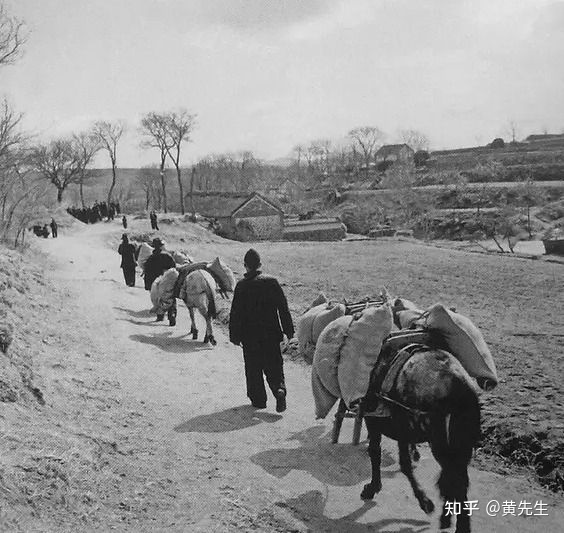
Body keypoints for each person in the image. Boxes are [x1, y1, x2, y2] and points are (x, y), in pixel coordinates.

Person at [229, 249, 294, 413]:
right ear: (260, 265)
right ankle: (279, 390)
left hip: (250, 337)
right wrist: (289, 331)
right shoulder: (272, 282)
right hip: (271, 334)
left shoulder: (242, 286)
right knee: (274, 365)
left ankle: (258, 400)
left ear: (245, 266)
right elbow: (283, 309)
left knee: (253, 368)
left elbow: (235, 313)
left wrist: (235, 336)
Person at [143, 237, 176, 325]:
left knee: (157, 298)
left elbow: (147, 273)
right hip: (167, 280)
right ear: (161, 246)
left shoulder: (150, 258)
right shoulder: (168, 256)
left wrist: (148, 285)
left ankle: (160, 316)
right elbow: (174, 268)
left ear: (154, 247)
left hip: (155, 283)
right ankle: (171, 314)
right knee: (170, 297)